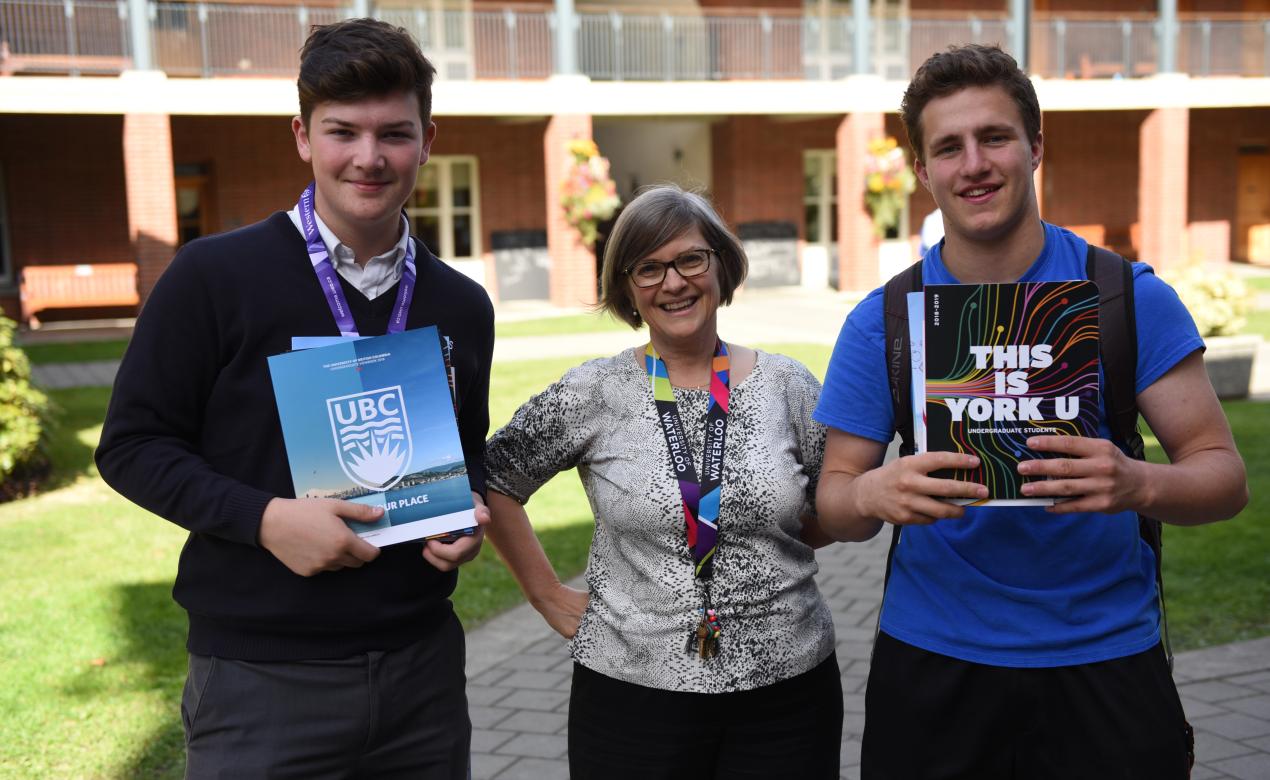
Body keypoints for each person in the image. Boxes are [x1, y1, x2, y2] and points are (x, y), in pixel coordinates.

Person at [815, 44, 1248, 779]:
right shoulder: (885, 320)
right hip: (935, 658)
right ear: (922, 171)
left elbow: (1224, 479)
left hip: (1105, 654)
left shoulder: (1127, 298)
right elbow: (833, 504)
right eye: (948, 147)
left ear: (1036, 146)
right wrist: (870, 492)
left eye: (995, 137)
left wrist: (1137, 483)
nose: (973, 164)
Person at [95, 18, 493, 778]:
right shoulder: (213, 277)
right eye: (343, 131)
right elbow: (131, 447)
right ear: (303, 137)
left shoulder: (461, 304)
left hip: (423, 676)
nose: (369, 158)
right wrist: (267, 519)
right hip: (260, 683)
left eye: (394, 134)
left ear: (429, 138)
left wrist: (463, 523)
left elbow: (464, 453)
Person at [484, 184, 843, 779]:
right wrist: (545, 594)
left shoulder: (788, 385)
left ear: (721, 265)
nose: (672, 283)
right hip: (631, 694)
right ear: (626, 286)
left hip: (787, 689)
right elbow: (495, 477)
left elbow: (836, 504)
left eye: (690, 259)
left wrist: (764, 524)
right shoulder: (594, 392)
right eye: (648, 268)